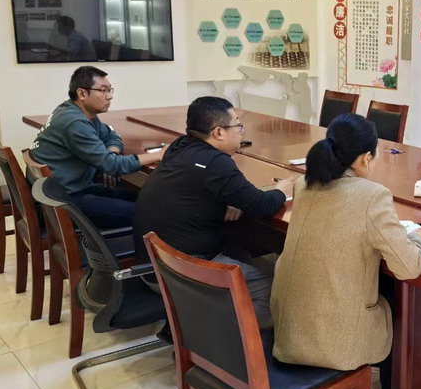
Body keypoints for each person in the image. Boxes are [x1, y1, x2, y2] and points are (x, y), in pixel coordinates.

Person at [270, 113, 421, 389]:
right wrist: (418, 239)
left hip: (289, 330)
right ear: (365, 158)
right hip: (335, 342)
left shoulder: (304, 184)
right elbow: (408, 267)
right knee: (398, 294)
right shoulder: (372, 196)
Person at [133, 97, 293, 328]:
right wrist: (282, 191)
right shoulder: (216, 163)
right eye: (238, 126)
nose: (241, 132)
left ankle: (207, 319)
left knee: (242, 248)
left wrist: (227, 200)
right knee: (278, 290)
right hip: (180, 273)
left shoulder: (178, 147)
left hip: (156, 265)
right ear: (218, 132)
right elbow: (261, 205)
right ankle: (210, 334)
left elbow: (195, 191)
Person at [30, 66, 164, 229]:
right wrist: (159, 154)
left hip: (70, 191)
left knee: (150, 200)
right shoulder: (75, 123)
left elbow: (112, 136)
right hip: (67, 202)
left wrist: (110, 153)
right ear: (82, 94)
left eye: (110, 90)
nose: (110, 96)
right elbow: (114, 166)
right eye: (103, 90)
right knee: (153, 214)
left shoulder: (75, 111)